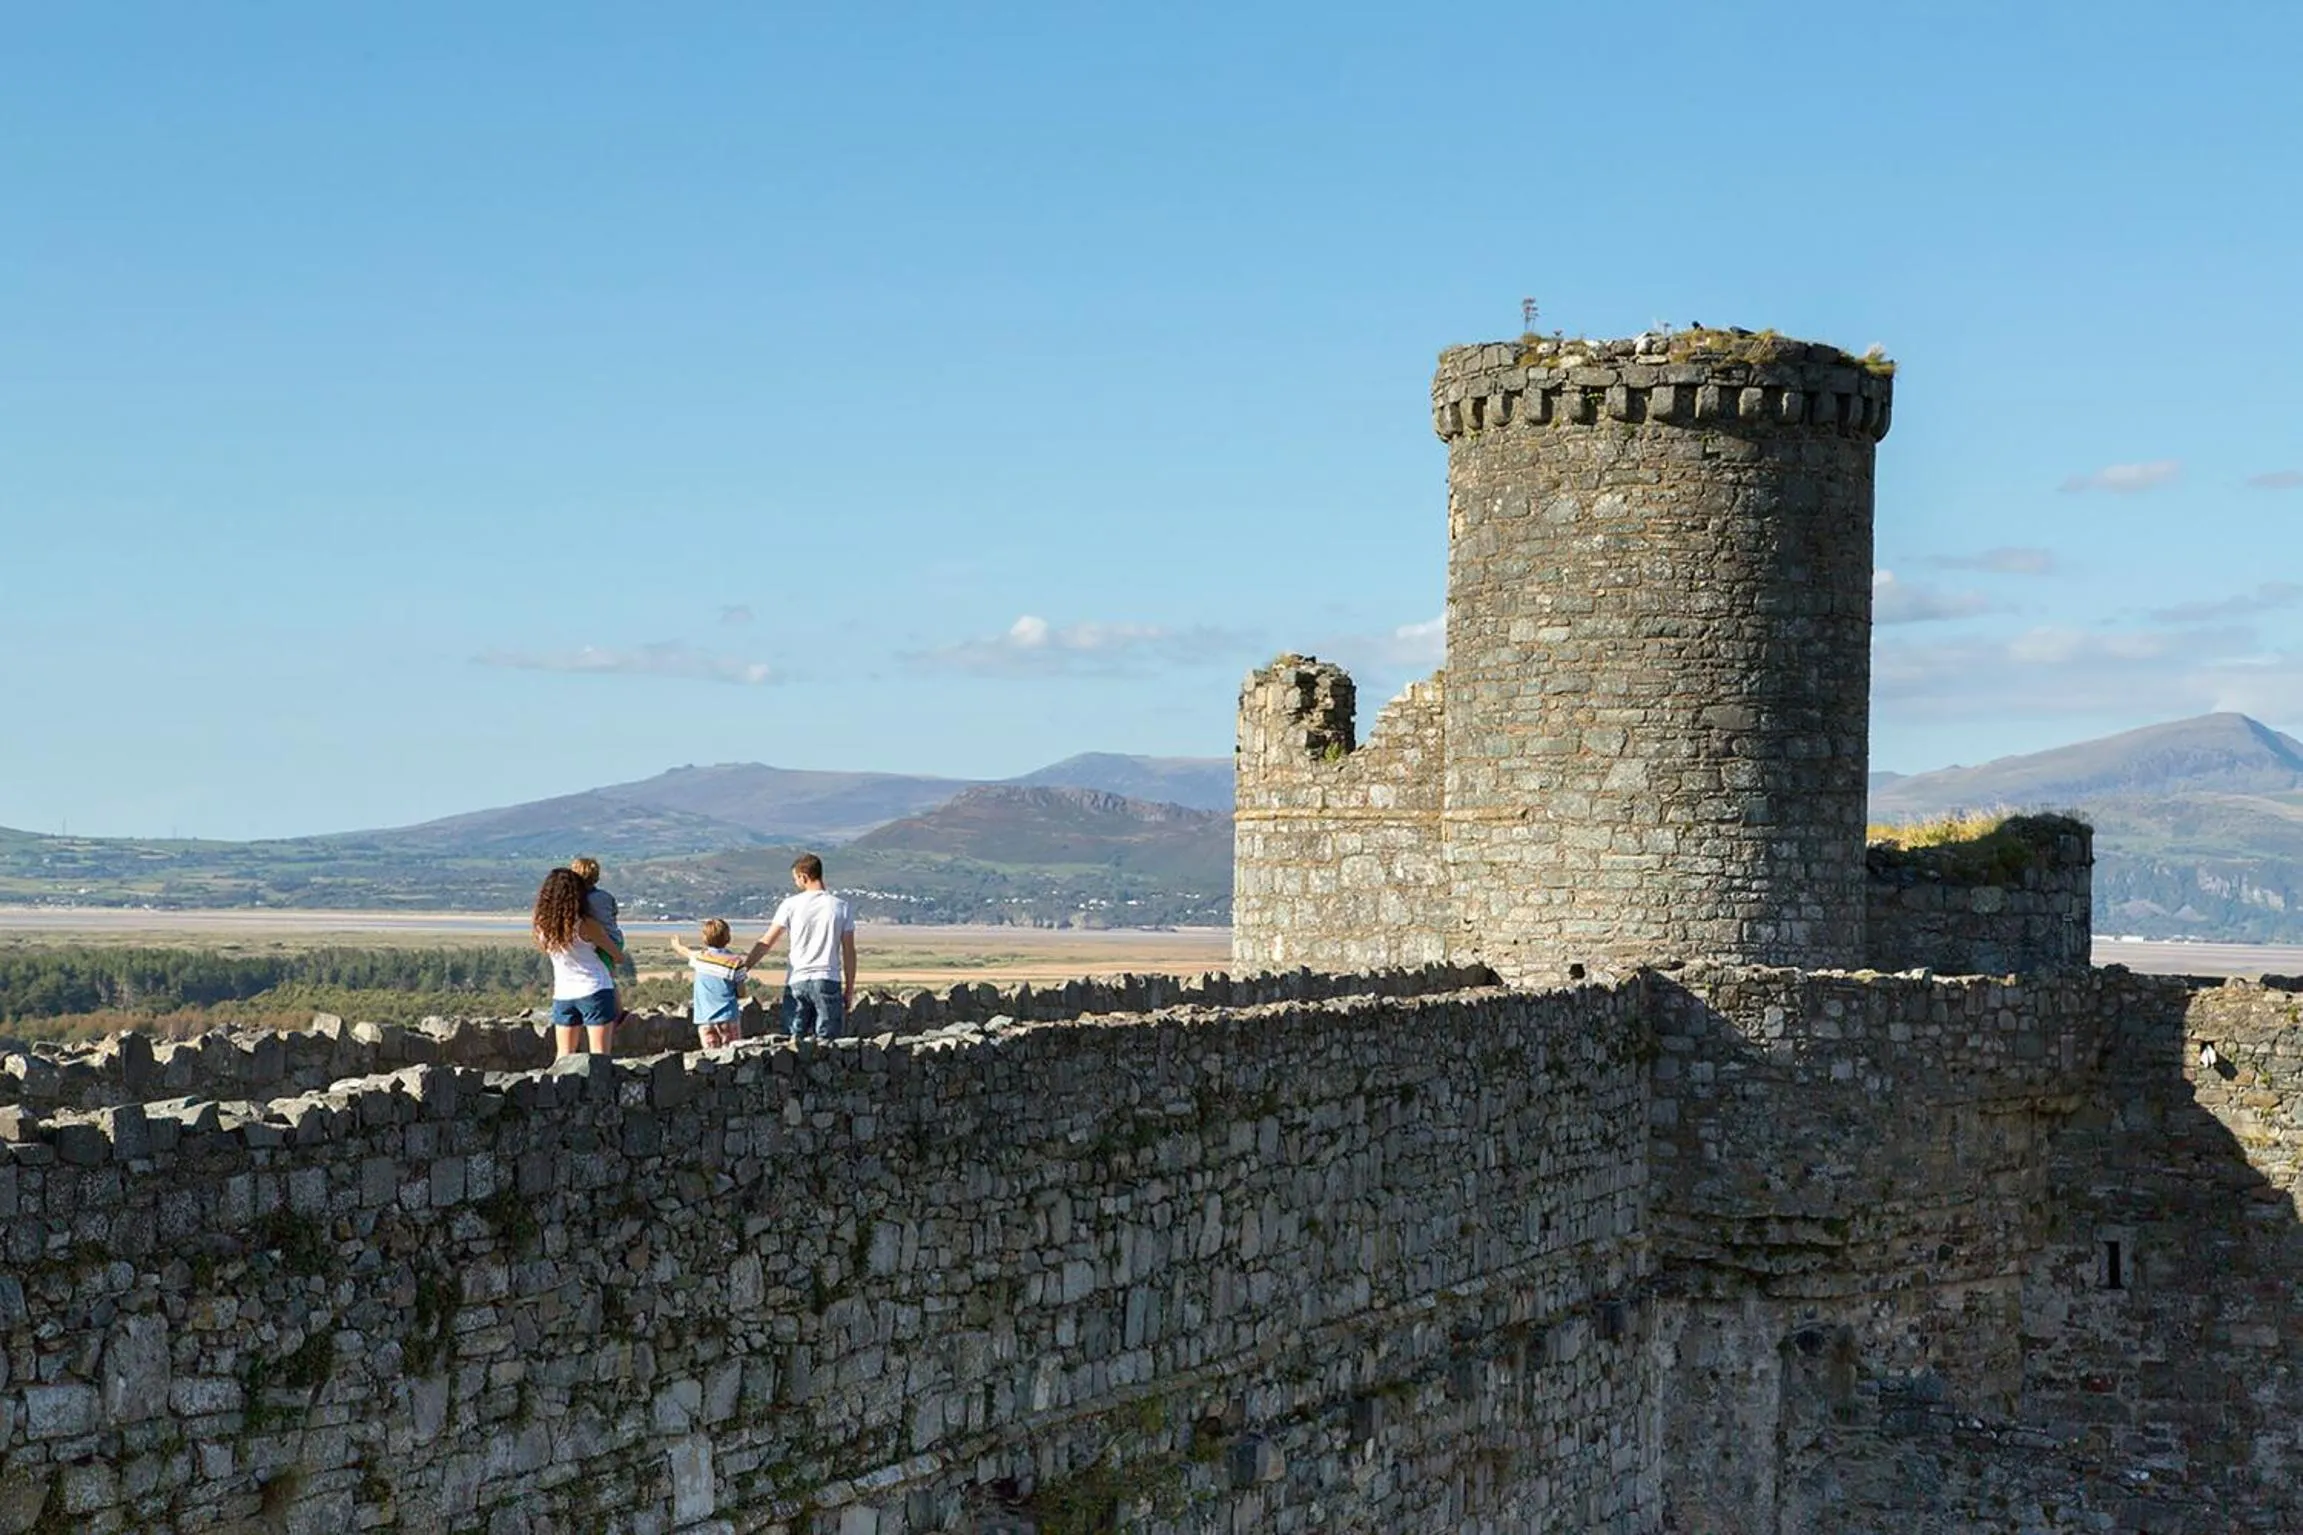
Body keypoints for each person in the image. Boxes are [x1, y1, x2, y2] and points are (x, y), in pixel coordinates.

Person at [740, 853, 856, 1041]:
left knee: (792, 1040)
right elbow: (849, 951)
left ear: (804, 876)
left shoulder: (790, 905)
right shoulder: (841, 907)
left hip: (797, 979)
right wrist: (849, 988)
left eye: (795, 879)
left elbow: (767, 941)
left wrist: (744, 969)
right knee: (828, 1042)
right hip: (828, 978)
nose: (796, 883)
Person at [533, 866, 627, 1059]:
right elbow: (618, 956)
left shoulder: (542, 927)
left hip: (563, 994)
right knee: (599, 1057)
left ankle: (559, 1088)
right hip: (595, 990)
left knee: (564, 1056)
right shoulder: (586, 925)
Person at [670, 918, 751, 1049]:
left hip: (704, 1019)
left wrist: (677, 945)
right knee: (733, 1055)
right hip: (728, 1018)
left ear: (705, 939)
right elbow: (741, 993)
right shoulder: (736, 962)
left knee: (711, 1058)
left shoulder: (700, 958)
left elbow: (686, 952)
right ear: (728, 937)